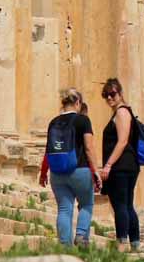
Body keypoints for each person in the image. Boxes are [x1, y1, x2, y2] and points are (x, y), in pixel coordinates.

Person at [41, 87, 102, 247]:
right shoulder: (83, 120)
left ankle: (64, 247)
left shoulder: (53, 122)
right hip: (80, 170)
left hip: (57, 172)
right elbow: (89, 148)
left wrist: (43, 172)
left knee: (64, 209)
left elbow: (49, 150)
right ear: (78, 102)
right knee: (86, 204)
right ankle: (81, 235)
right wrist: (96, 171)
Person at [97, 77, 144, 251]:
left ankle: (122, 241)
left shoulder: (122, 113)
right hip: (127, 164)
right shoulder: (121, 112)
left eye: (112, 94)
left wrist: (108, 165)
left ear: (120, 93)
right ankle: (135, 242)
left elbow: (122, 141)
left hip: (122, 165)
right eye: (106, 95)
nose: (109, 98)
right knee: (126, 204)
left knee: (120, 204)